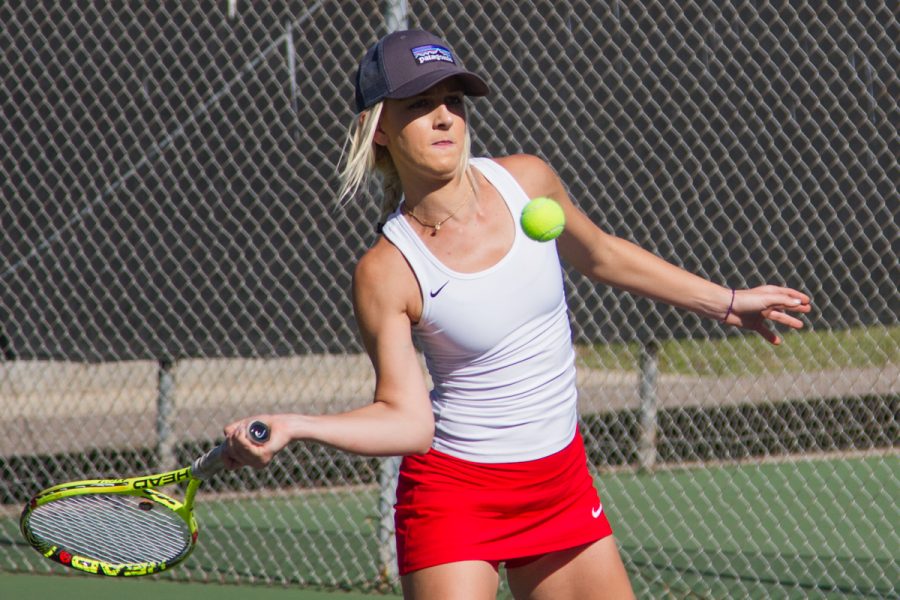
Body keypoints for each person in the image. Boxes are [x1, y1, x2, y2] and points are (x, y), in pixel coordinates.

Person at [222, 29, 812, 599]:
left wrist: (729, 302)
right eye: (421, 105)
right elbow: (409, 421)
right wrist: (300, 425)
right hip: (455, 496)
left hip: (559, 483)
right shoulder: (387, 269)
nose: (445, 117)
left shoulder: (527, 180)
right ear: (379, 129)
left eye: (452, 100)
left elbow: (601, 254)